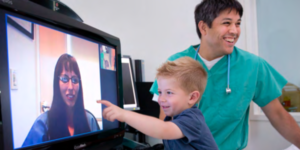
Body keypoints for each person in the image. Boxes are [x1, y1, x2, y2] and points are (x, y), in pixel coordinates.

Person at [150, 0, 300, 149]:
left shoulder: (253, 66)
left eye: (238, 23)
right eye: (227, 23)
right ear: (203, 27)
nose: (234, 31)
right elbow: (166, 119)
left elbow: (278, 116)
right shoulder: (176, 63)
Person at [98, 57, 218, 150]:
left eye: (169, 92)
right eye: (160, 92)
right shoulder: (173, 117)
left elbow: (162, 129)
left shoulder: (192, 119)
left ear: (192, 97)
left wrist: (124, 114)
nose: (161, 99)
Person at [22, 54, 100, 147]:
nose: (71, 87)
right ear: (56, 83)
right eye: (65, 79)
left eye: (75, 80)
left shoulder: (90, 120)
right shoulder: (42, 125)